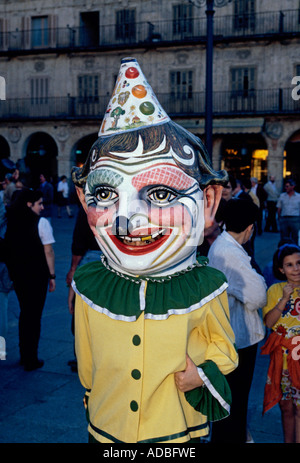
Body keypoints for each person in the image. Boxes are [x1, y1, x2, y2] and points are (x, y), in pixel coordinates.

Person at [71, 57, 238, 444]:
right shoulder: (89, 285)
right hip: (107, 427)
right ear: (84, 201)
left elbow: (223, 349)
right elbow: (88, 361)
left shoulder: (206, 285)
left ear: (209, 201)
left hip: (175, 431)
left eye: (161, 194)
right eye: (106, 194)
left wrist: (204, 373)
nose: (128, 221)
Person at [208, 198, 267, 443]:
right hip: (238, 339)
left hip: (231, 337)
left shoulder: (224, 245)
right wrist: (260, 280)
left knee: (230, 406)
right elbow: (258, 296)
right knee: (233, 406)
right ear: (250, 227)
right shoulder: (230, 252)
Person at [4, 189, 56, 371]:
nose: (42, 207)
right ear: (29, 204)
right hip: (37, 276)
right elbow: (48, 251)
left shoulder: (12, 222)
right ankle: (30, 358)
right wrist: (52, 276)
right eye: (39, 203)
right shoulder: (41, 223)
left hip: (19, 276)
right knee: (34, 316)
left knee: (25, 313)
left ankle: (24, 354)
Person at [261, 243, 300, 443]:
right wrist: (284, 299)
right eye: (290, 265)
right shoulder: (275, 290)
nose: (296, 269)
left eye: (298, 263)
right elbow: (269, 322)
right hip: (282, 359)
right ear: (281, 269)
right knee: (286, 407)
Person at [66, 205, 101, 372]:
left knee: (82, 310)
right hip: (116, 260)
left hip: (92, 259)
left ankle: (82, 357)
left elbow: (79, 241)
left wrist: (73, 269)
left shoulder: (88, 206)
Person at [277, 178, 300, 245]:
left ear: (292, 187)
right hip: (284, 219)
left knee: (295, 237)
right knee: (284, 237)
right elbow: (279, 208)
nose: (285, 188)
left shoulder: (298, 196)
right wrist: (279, 218)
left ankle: (295, 252)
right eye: (285, 186)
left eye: (287, 186)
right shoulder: (282, 196)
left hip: (295, 219)